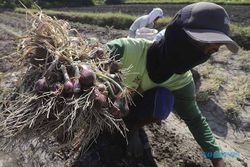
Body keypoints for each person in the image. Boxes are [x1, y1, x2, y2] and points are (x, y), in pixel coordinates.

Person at [106, 2, 239, 167]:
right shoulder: (124, 50)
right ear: (176, 33)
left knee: (164, 100)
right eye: (199, 43)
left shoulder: (182, 80)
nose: (200, 55)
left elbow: (195, 120)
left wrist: (217, 159)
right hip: (106, 107)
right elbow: (82, 65)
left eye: (211, 51)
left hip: (133, 110)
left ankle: (132, 128)